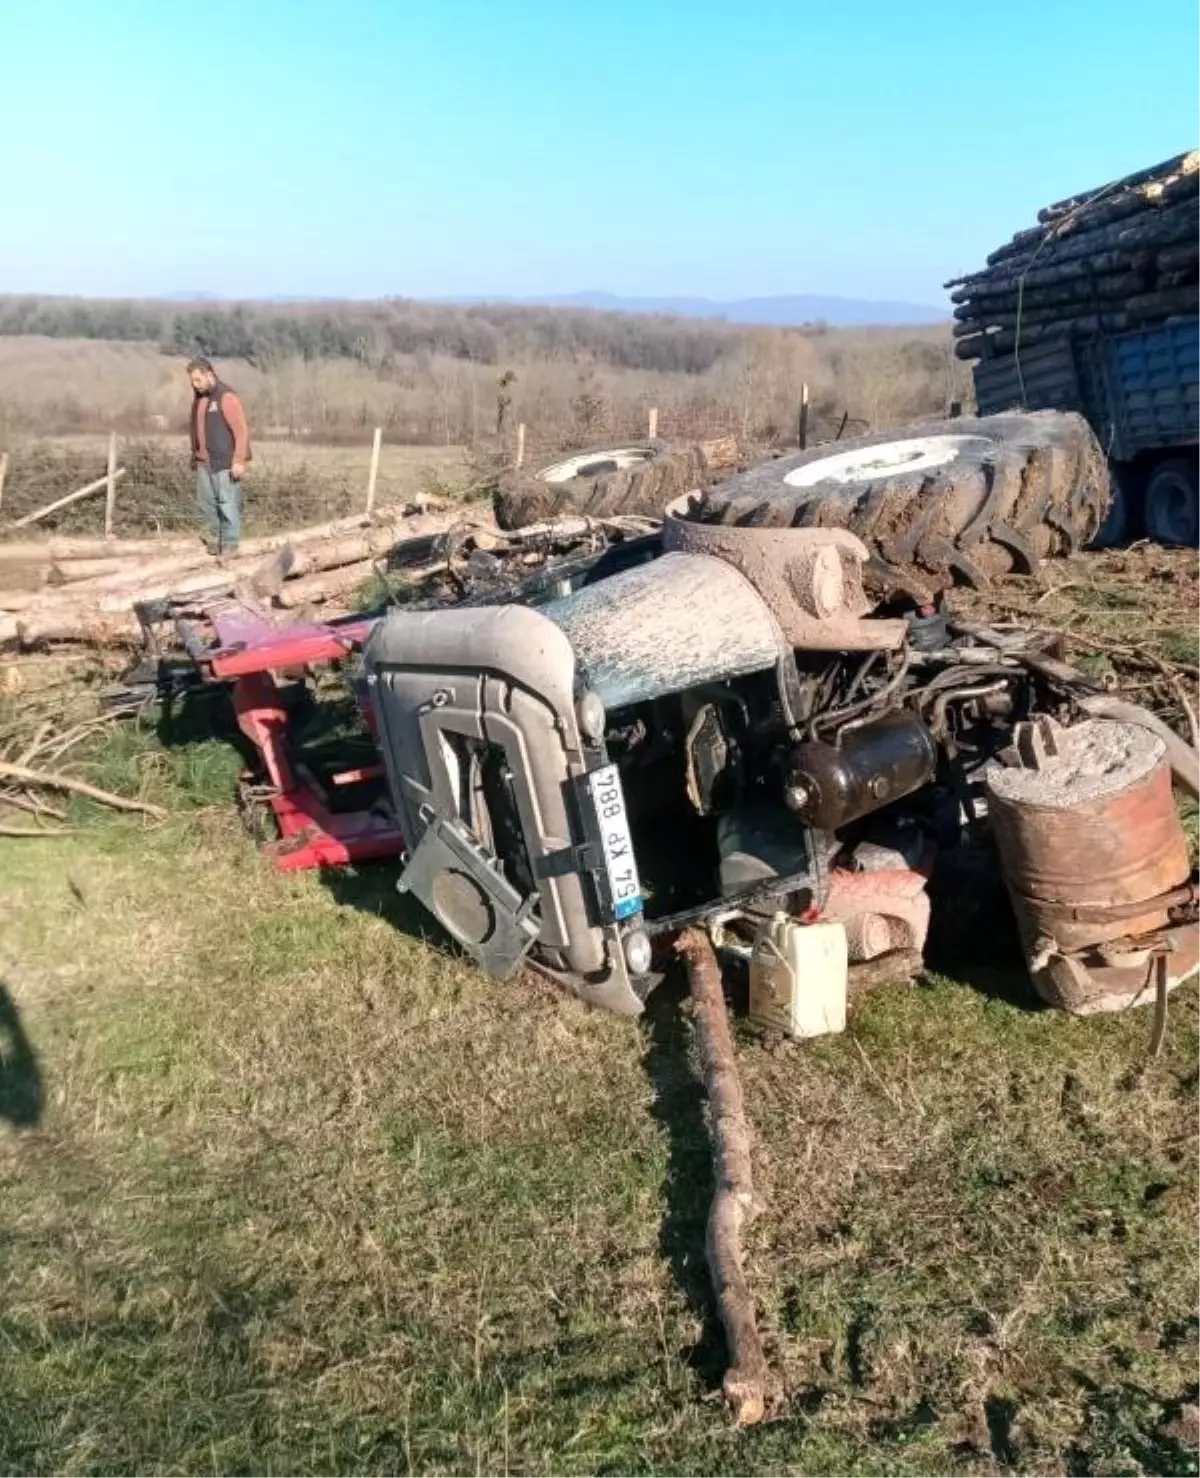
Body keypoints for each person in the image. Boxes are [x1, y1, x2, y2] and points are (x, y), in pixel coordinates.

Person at [187, 356, 251, 555]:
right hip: (203, 462)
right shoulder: (200, 399)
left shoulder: (226, 397)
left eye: (198, 380)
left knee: (227, 503)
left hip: (225, 462)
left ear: (209, 375)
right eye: (192, 382)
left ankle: (231, 544)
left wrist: (239, 460)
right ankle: (217, 540)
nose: (195, 385)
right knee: (207, 504)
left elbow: (241, 431)